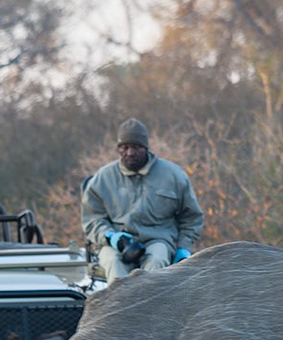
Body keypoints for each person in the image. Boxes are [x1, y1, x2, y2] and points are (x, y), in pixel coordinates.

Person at [80, 118, 204, 281]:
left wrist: (183, 248)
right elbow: (92, 219)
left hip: (158, 239)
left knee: (156, 263)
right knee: (113, 265)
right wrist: (111, 236)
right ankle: (119, 305)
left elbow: (191, 218)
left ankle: (152, 306)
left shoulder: (173, 175)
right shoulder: (103, 178)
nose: (130, 153)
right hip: (116, 242)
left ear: (146, 148)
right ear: (119, 149)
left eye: (136, 147)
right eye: (125, 147)